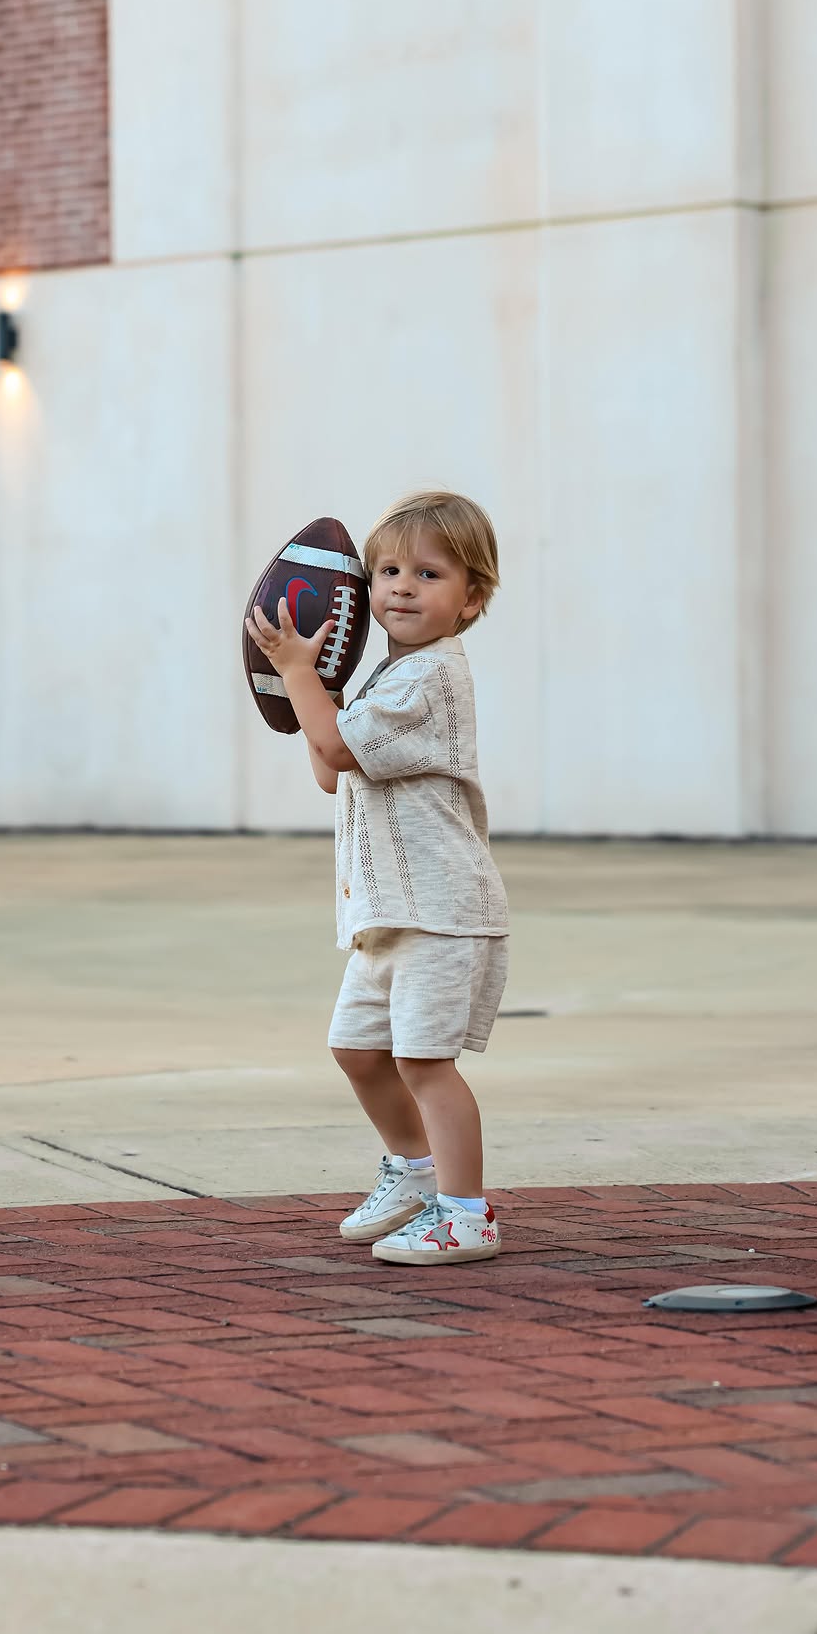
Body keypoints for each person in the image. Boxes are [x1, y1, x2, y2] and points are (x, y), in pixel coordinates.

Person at [245, 490, 509, 1264]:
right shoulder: (389, 677)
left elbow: (334, 755)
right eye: (387, 570)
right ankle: (417, 1171)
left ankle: (466, 1216)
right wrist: (314, 692)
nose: (400, 586)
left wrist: (298, 672)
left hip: (440, 909)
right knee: (358, 1050)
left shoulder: (427, 680)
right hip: (390, 910)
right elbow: (336, 775)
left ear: (471, 601)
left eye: (428, 574)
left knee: (426, 1063)